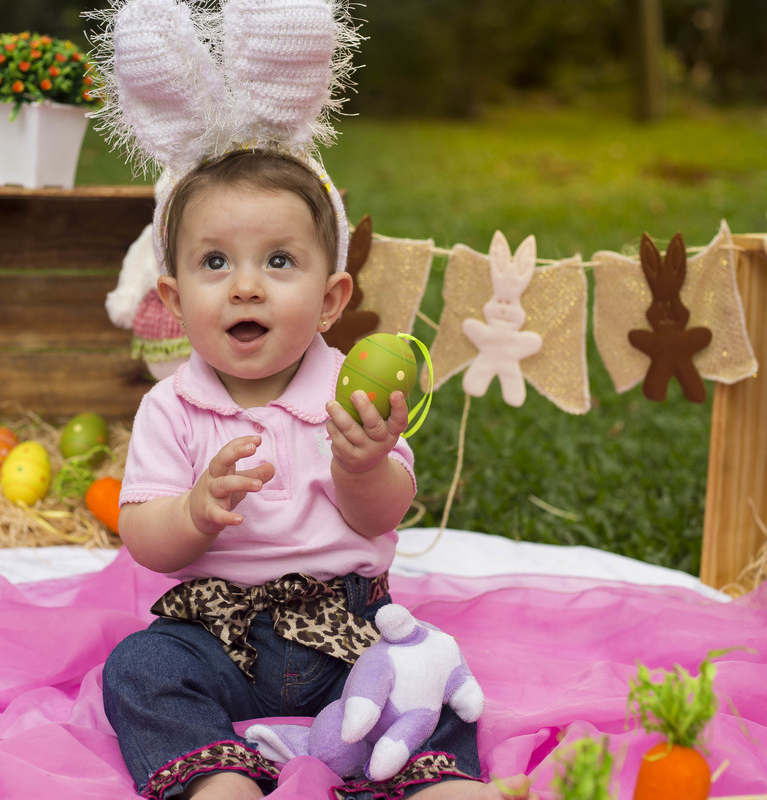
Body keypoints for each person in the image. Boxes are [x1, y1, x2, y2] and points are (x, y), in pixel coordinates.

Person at [101, 148, 536, 800]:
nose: (246, 286)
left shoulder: (349, 392)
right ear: (174, 299)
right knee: (139, 666)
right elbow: (145, 541)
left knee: (423, 671)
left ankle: (437, 783)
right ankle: (216, 777)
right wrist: (191, 513)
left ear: (330, 299)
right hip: (218, 634)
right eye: (215, 262)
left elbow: (381, 516)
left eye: (279, 261)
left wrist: (363, 465)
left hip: (348, 630)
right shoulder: (171, 407)